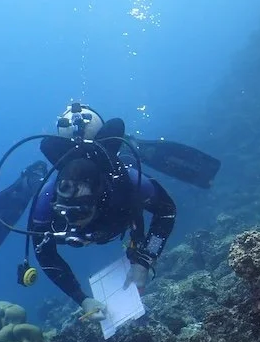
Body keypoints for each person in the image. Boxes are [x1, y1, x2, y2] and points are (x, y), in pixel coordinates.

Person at [28, 107, 176, 319]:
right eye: (65, 214)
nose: (74, 224)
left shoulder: (128, 184)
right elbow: (44, 253)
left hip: (116, 179)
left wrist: (146, 258)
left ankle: (130, 145)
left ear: (99, 200)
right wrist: (82, 299)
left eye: (80, 214)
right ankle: (31, 178)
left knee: (126, 160)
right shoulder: (46, 199)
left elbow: (166, 212)